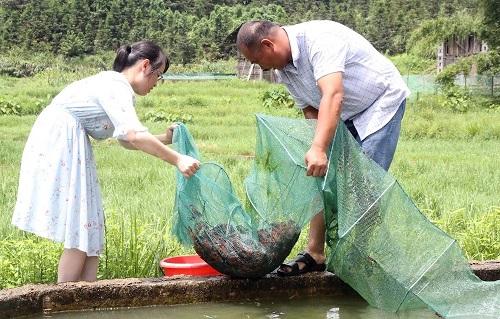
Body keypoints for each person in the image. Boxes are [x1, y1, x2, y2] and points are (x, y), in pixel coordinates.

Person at [11, 40, 200, 283]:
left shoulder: (117, 87)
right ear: (145, 66)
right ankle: (64, 298)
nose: (157, 83)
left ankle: (85, 297)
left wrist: (165, 138)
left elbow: (125, 139)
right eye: (159, 75)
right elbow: (133, 135)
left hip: (69, 141)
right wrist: (178, 160)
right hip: (60, 141)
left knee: (90, 227)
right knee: (80, 228)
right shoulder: (115, 85)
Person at [237, 20, 409, 276]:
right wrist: (318, 149)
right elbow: (311, 109)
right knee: (320, 175)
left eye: (255, 60)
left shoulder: (320, 40)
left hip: (379, 104)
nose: (257, 67)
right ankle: (315, 253)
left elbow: (333, 95)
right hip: (344, 114)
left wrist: (319, 146)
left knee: (363, 185)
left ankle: (358, 256)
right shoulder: (284, 69)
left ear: (267, 44)